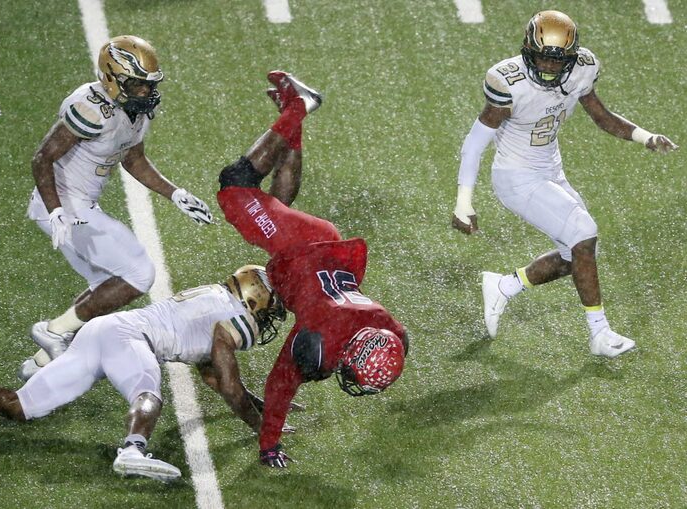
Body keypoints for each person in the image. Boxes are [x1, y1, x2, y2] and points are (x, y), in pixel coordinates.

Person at [0, 265, 290, 482]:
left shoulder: (215, 300)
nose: (271, 317)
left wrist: (259, 403)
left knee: (20, 406)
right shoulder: (229, 320)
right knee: (147, 393)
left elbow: (214, 377)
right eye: (270, 308)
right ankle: (132, 451)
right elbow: (230, 388)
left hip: (105, 332)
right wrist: (265, 430)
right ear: (252, 302)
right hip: (130, 338)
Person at [450, 10, 678, 357]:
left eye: (559, 60)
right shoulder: (508, 81)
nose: (551, 67)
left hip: (551, 171)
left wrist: (645, 137)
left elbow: (602, 116)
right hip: (516, 177)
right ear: (529, 49)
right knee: (583, 233)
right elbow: (475, 142)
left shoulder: (582, 69)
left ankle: (504, 285)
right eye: (543, 56)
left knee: (578, 254)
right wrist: (463, 201)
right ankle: (600, 334)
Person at [216, 71, 409, 468]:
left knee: (278, 201)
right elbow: (279, 384)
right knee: (234, 188)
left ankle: (295, 109)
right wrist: (268, 445)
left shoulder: (386, 326)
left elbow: (402, 339)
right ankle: (298, 106)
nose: (352, 382)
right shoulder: (319, 339)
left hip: (320, 251)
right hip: (300, 245)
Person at [22, 35, 213, 378]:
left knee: (108, 289)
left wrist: (175, 194)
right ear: (113, 79)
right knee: (140, 274)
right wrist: (56, 212)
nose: (145, 91)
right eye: (137, 84)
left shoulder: (137, 110)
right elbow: (42, 158)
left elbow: (133, 159)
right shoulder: (92, 108)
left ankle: (40, 364)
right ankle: (52, 332)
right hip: (65, 207)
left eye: (148, 84)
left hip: (79, 206)